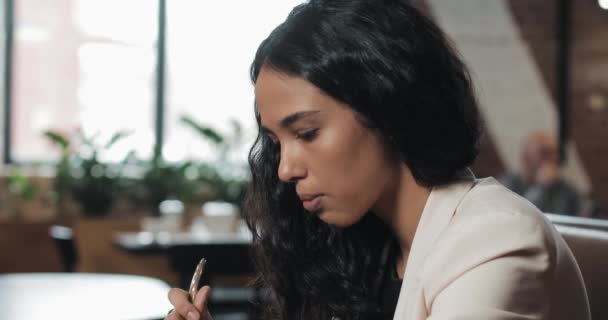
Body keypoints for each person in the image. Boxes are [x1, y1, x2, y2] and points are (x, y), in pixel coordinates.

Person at [166, 0, 591, 319]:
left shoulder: (495, 240)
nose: (284, 169)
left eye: (307, 133)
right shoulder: (367, 247)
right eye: (277, 142)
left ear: (386, 106)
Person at [500, 131, 583, 216]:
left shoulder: (566, 189)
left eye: (555, 153)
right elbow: (520, 217)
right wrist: (541, 188)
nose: (553, 158)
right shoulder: (505, 187)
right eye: (545, 153)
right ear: (525, 158)